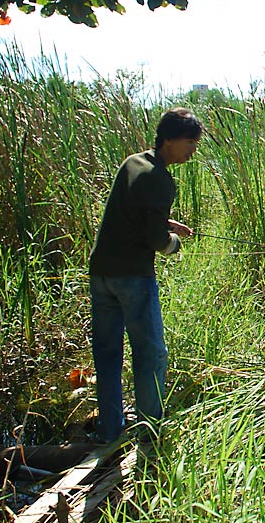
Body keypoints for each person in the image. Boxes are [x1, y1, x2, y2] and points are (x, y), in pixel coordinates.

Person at [88, 107, 203, 443]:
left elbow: (131, 211)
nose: (193, 149)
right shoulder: (162, 180)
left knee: (107, 354)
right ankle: (150, 431)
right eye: (189, 142)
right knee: (150, 353)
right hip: (132, 277)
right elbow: (156, 241)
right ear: (168, 138)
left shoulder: (134, 162)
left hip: (102, 273)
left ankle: (110, 431)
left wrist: (168, 222)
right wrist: (174, 243)